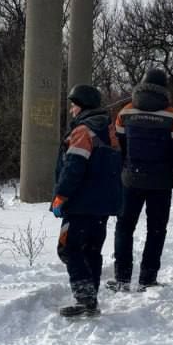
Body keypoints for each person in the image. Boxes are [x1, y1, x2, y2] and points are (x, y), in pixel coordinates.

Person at [108, 67, 173, 291]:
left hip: (130, 180)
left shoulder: (125, 113)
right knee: (156, 230)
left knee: (124, 228)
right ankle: (148, 278)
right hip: (161, 183)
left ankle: (122, 278)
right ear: (164, 90)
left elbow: (118, 150)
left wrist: (119, 174)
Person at [51, 84, 123, 318]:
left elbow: (74, 168)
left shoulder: (83, 131)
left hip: (81, 202)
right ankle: (90, 295)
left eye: (74, 105)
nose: (72, 109)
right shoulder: (108, 129)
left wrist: (61, 195)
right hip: (103, 204)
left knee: (70, 247)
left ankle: (85, 297)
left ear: (82, 106)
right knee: (92, 249)